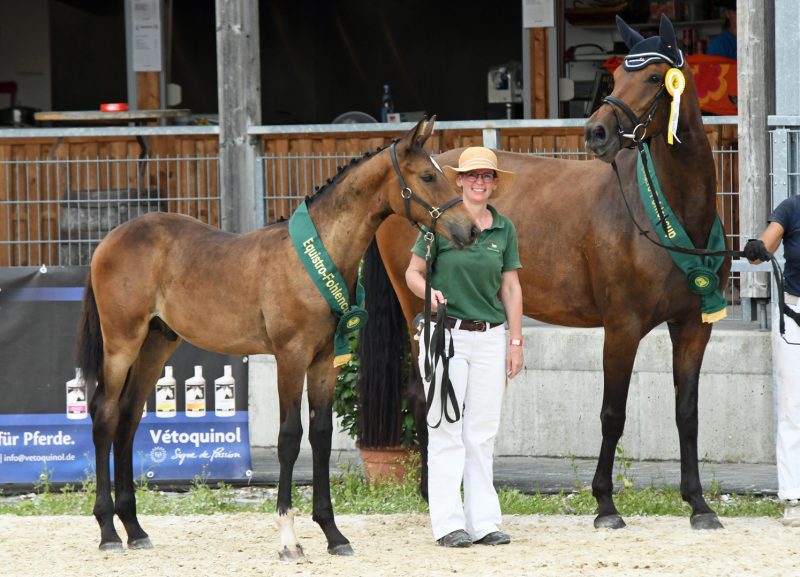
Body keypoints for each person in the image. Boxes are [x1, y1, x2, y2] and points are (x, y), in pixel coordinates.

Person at [405, 146, 523, 547]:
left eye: (486, 176)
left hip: (490, 335)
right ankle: (448, 523)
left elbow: (510, 286)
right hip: (446, 335)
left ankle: (485, 522)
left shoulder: (503, 228)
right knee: (445, 428)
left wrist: (516, 340)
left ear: (493, 183)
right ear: (459, 180)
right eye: (472, 175)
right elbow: (413, 273)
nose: (479, 181)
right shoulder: (437, 225)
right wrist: (429, 293)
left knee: (482, 432)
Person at [743, 193, 800, 527]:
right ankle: (794, 496)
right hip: (794, 315)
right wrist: (756, 248)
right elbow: (766, 244)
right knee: (793, 407)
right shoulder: (791, 208)